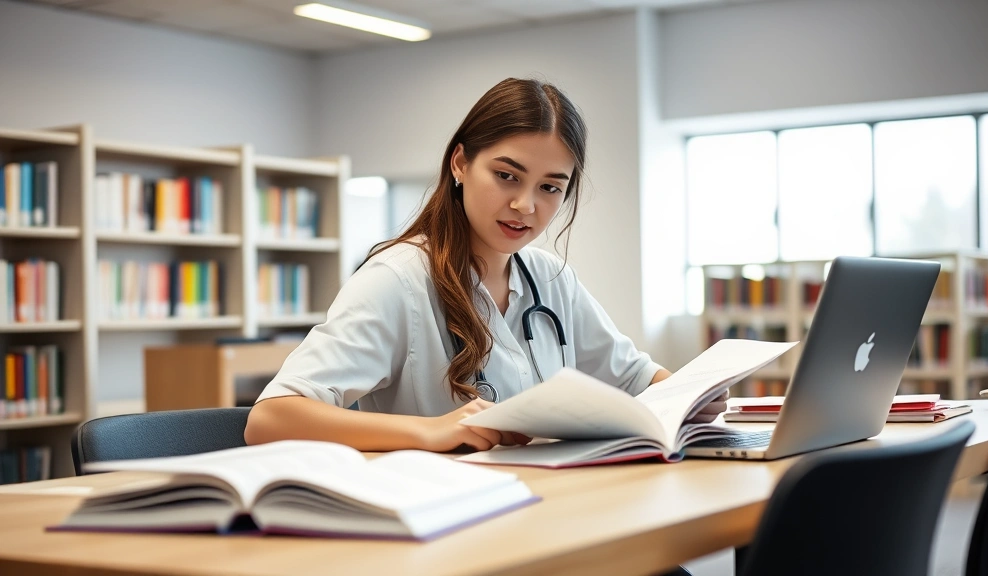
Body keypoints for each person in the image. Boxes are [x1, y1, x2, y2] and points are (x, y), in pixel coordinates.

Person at [244, 77, 727, 453]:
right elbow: (271, 419)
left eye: (550, 187)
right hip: (450, 522)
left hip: (551, 505)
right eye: (506, 176)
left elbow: (634, 377)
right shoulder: (398, 279)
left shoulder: (550, 280)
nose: (525, 205)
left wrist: (691, 394)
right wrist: (430, 432)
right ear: (459, 164)